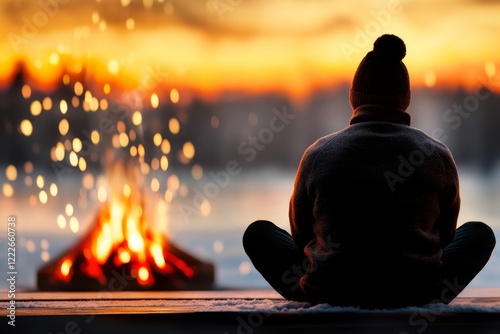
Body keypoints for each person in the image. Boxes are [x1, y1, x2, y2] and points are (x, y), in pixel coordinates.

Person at [242, 34, 496, 308]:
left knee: (259, 234)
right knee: (479, 235)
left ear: (355, 97)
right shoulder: (437, 154)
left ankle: (322, 286)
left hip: (331, 293)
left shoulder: (318, 153)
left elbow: (300, 234)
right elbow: (445, 236)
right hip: (417, 293)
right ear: (405, 99)